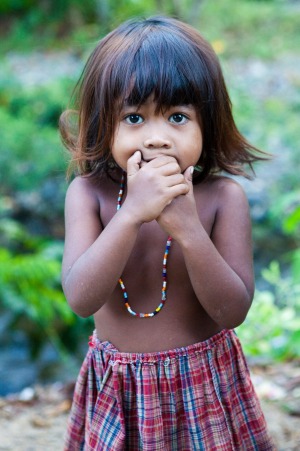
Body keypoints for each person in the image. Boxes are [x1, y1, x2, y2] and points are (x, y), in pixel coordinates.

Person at [60, 15, 275, 451]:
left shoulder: (221, 199)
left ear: (208, 124)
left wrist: (189, 229)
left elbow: (232, 311)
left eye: (178, 117)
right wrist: (131, 215)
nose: (157, 138)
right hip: (120, 388)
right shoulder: (89, 196)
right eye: (134, 117)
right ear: (105, 124)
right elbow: (81, 299)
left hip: (203, 385)